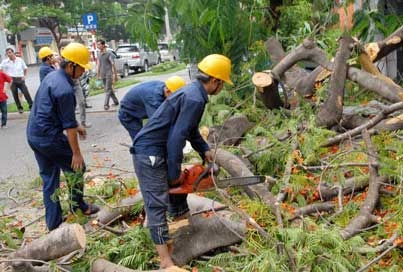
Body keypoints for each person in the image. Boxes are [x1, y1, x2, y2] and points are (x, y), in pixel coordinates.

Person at [130, 54, 232, 269]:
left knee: (179, 187)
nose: (221, 87)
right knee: (157, 202)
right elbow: (176, 138)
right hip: (149, 152)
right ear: (215, 81)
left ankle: (180, 224)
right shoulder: (194, 98)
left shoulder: (194, 93)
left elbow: (189, 129)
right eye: (222, 83)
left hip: (158, 148)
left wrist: (204, 150)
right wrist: (174, 171)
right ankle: (166, 261)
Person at [26, 42, 99, 231]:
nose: (83, 72)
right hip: (49, 137)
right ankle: (78, 206)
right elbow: (68, 128)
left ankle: (54, 224)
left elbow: (56, 111)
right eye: (82, 67)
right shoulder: (65, 89)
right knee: (77, 168)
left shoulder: (52, 77)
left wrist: (76, 124)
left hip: (34, 135)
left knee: (50, 178)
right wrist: (76, 153)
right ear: (72, 65)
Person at [118, 76, 186, 141]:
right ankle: (140, 152)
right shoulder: (153, 99)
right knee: (141, 141)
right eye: (176, 96)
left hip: (137, 108)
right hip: (127, 114)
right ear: (168, 91)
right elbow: (158, 123)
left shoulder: (164, 87)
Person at [0, 46, 33, 114]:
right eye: (7, 53)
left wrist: (24, 76)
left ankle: (31, 106)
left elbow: (25, 68)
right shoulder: (5, 62)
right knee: (15, 94)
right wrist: (5, 77)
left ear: (13, 52)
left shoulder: (20, 60)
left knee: (26, 92)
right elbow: (0, 69)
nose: (8, 54)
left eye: (9, 52)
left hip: (20, 79)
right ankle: (19, 108)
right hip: (12, 80)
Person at [96, 39, 119, 110]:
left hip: (109, 74)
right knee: (109, 89)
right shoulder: (99, 54)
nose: (98, 46)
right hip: (103, 74)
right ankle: (116, 102)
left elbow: (113, 64)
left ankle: (106, 105)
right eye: (97, 44)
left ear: (103, 45)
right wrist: (98, 74)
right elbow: (99, 65)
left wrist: (115, 75)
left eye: (99, 44)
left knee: (108, 89)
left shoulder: (109, 54)